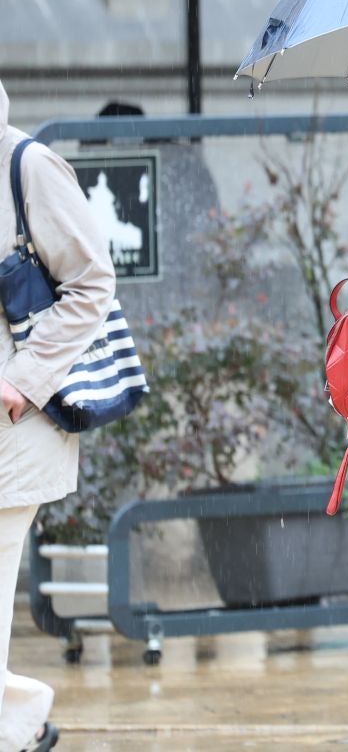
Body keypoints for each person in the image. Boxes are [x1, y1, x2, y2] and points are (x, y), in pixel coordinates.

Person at [2, 76, 116, 752]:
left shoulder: (27, 166)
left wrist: (25, 377)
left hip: (12, 429)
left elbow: (92, 282)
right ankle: (20, 722)